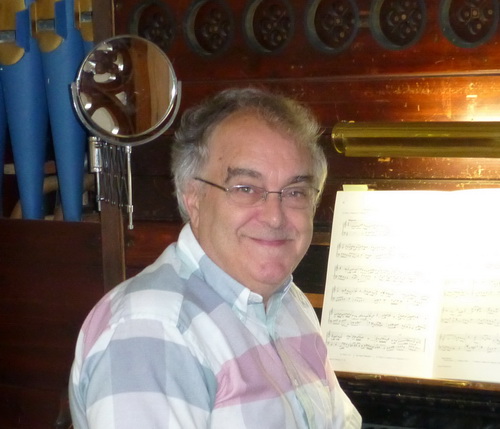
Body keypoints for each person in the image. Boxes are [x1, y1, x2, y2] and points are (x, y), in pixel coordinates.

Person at [69, 87, 362, 429]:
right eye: (245, 188)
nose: (275, 217)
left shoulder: (286, 300)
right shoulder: (153, 328)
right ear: (193, 198)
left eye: (295, 192)